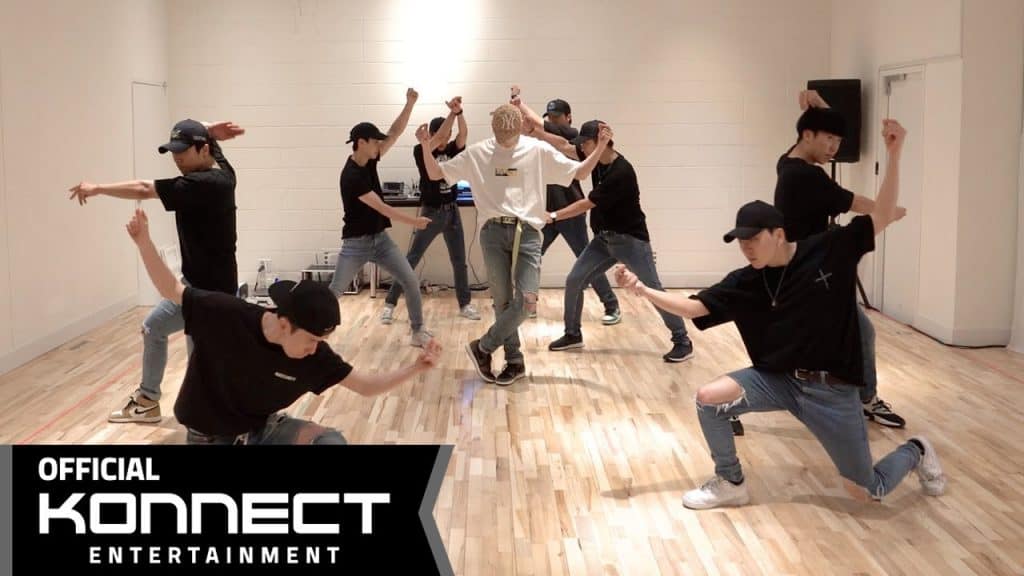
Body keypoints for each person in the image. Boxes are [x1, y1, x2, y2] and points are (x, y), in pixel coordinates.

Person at [615, 120, 945, 509]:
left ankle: (916, 450)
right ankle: (731, 482)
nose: (747, 248)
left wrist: (894, 154)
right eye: (741, 241)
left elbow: (882, 215)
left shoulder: (829, 249)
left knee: (866, 489)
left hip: (832, 391)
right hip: (780, 380)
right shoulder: (747, 280)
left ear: (779, 233)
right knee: (708, 399)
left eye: (754, 239)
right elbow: (694, 307)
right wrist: (641, 289)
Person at [125, 208, 441, 445]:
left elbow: (366, 386)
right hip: (207, 435)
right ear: (285, 324)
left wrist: (416, 367)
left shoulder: (315, 356)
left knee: (331, 443)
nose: (315, 348)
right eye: (311, 339)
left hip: (260, 430)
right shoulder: (227, 314)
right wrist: (143, 242)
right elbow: (172, 289)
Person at [417, 103, 610, 386]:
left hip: (528, 231)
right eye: (501, 131)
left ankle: (483, 347)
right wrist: (425, 146)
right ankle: (514, 361)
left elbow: (579, 173)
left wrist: (600, 146)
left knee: (527, 300)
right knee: (503, 302)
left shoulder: (537, 150)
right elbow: (435, 174)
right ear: (495, 127)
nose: (505, 136)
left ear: (519, 126)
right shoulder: (478, 152)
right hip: (492, 232)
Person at [69, 118, 244, 424]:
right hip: (192, 285)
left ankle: (232, 419)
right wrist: (208, 129)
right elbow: (211, 146)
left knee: (202, 366)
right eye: (173, 151)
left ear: (203, 150)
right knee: (154, 327)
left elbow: (143, 188)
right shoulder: (224, 172)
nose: (177, 158)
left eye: (183, 151)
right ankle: (148, 400)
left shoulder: (203, 185)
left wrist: (97, 188)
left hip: (210, 297)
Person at [773, 89, 906, 428]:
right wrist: (889, 211)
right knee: (860, 333)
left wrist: (821, 108)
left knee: (814, 340)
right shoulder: (808, 176)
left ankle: (857, 397)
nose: (834, 148)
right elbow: (857, 203)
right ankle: (866, 399)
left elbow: (820, 129)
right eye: (829, 140)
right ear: (807, 135)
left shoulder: (787, 161)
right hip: (813, 273)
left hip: (803, 269)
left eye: (838, 141)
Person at [522, 115, 694, 363]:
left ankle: (682, 340)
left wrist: (554, 215)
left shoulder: (621, 171)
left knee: (653, 290)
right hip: (603, 241)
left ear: (600, 141)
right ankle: (572, 334)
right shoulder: (595, 160)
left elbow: (587, 203)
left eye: (586, 143)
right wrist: (536, 133)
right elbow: (564, 146)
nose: (582, 147)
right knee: (574, 280)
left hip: (631, 242)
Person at [328, 88, 434, 347]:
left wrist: (409, 103)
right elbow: (382, 208)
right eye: (375, 142)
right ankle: (312, 333)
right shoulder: (351, 176)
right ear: (361, 142)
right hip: (355, 244)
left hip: (380, 240)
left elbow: (394, 132)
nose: (379, 145)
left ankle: (418, 331)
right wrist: (416, 222)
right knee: (334, 293)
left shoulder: (370, 160)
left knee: (410, 280)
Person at [520, 94, 620, 324]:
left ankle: (611, 305)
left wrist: (521, 104)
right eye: (550, 117)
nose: (553, 121)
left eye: (557, 117)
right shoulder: (543, 142)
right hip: (546, 214)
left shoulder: (576, 138)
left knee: (587, 261)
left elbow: (552, 133)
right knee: (532, 257)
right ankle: (528, 304)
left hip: (571, 211)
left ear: (569, 118)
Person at [381, 96, 481, 324]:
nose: (446, 139)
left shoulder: (453, 149)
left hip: (452, 212)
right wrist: (451, 115)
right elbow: (440, 136)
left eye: (448, 136)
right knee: (412, 258)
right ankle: (389, 304)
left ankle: (465, 304)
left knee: (459, 261)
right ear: (434, 136)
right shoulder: (421, 150)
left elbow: (463, 134)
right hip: (431, 212)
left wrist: (459, 113)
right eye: (442, 136)